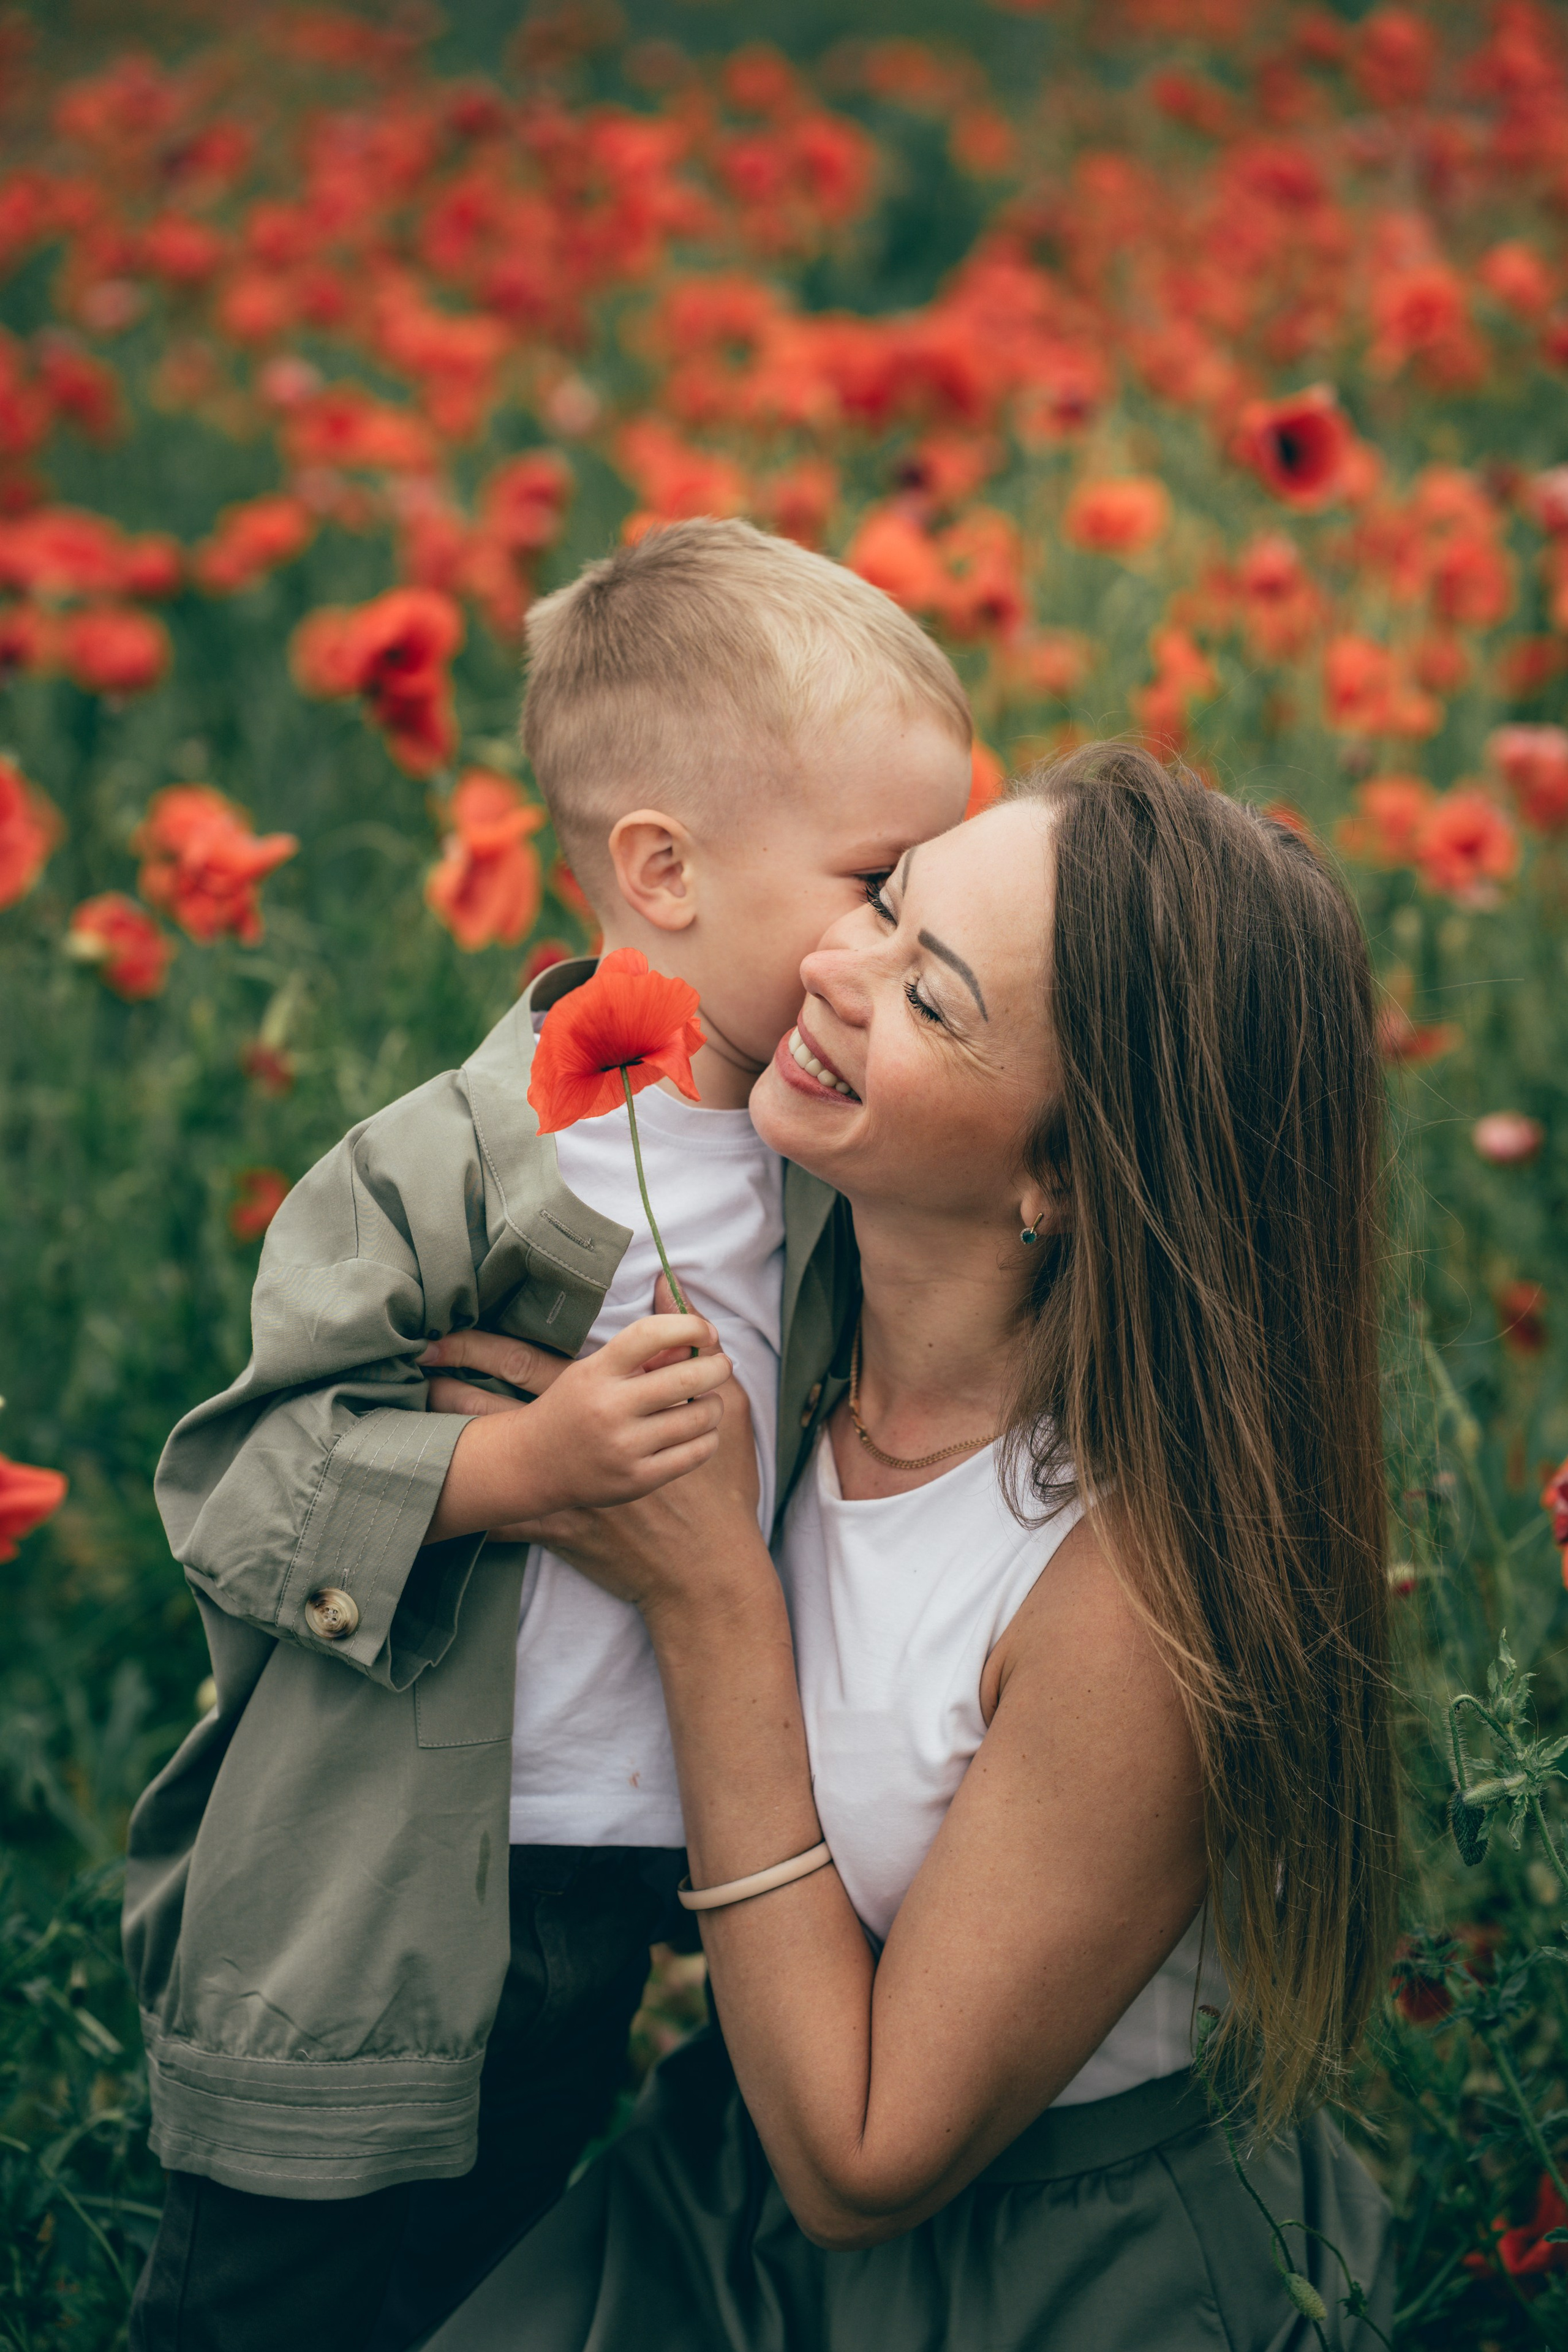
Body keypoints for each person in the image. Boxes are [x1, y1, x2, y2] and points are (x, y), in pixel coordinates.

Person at [421, 745, 1398, 2351]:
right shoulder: (777, 1310)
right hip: (721, 2164)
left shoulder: (1130, 1599)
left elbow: (865, 2167)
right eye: (884, 899)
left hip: (1029, 2265)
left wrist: (705, 1596)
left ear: (1062, 1173)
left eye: (931, 998)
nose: (833, 966)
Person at [123, 518, 974, 2352]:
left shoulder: (827, 1177)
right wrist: (519, 1471)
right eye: (878, 885)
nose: (900, 947)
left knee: (490, 2283)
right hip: (361, 1887)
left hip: (600, 1894)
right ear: (662, 870)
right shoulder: (447, 1164)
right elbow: (234, 1487)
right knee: (279, 2292)